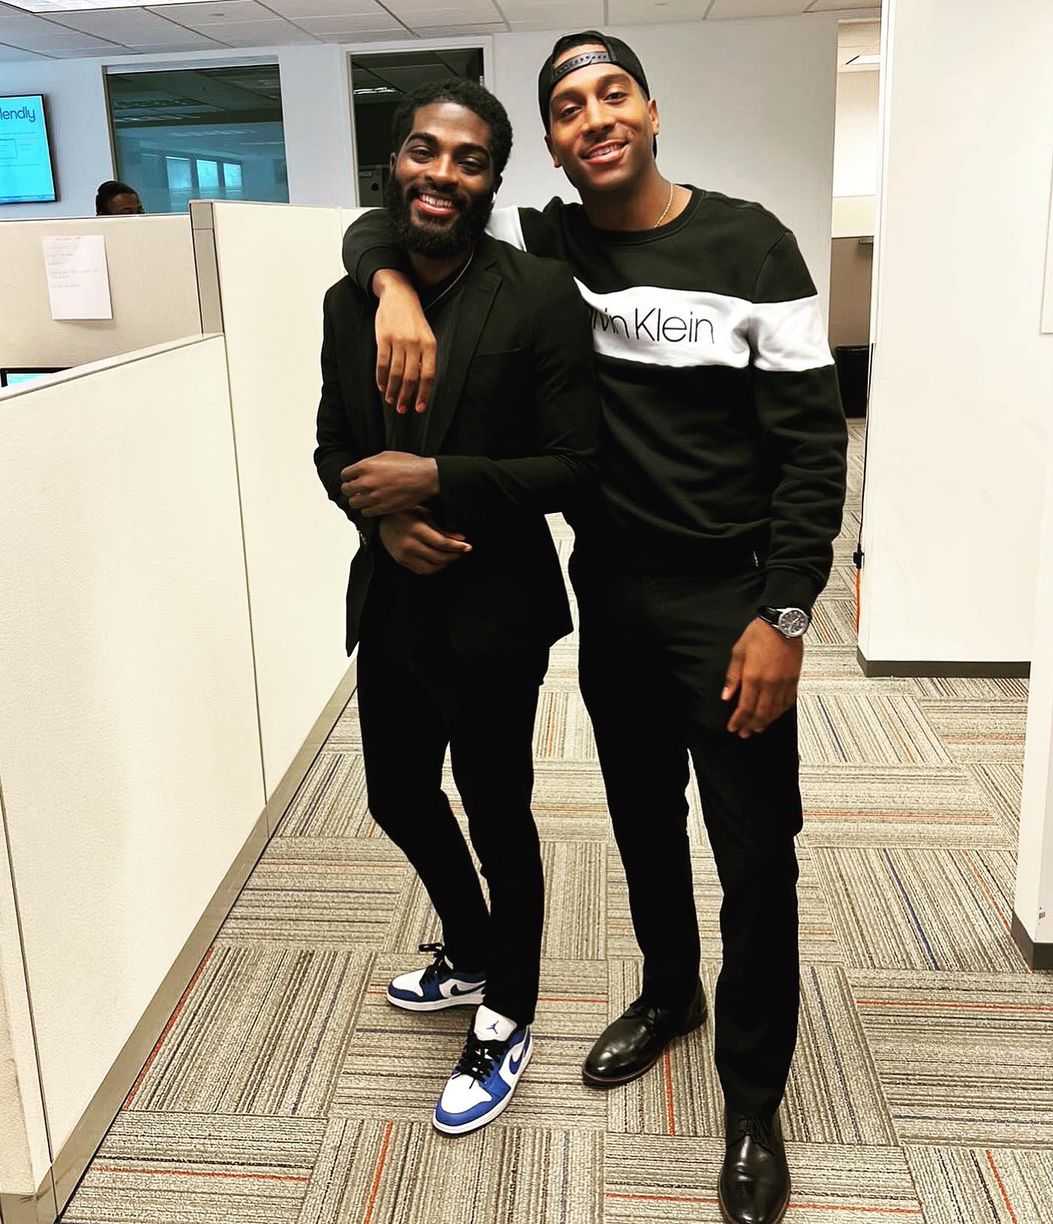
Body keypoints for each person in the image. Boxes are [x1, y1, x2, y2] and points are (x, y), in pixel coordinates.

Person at [342, 31, 848, 1223]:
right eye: (568, 108)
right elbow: (385, 224)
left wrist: (785, 613)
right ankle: (671, 992)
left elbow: (813, 447)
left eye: (612, 93)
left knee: (755, 853)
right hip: (614, 591)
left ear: (651, 111)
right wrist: (393, 287)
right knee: (641, 822)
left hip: (730, 599)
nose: (594, 117)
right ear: (554, 147)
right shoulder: (549, 249)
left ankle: (753, 1097)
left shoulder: (752, 243)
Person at [315, 77, 599, 1137]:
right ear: (396, 161)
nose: (442, 173)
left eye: (469, 159)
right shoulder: (351, 300)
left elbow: (576, 466)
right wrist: (381, 518)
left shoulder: (540, 294)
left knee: (497, 810)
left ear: (492, 178)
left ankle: (509, 1008)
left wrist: (435, 481)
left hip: (495, 609)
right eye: (425, 151)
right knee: (396, 796)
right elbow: (332, 448)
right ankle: (471, 947)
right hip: (391, 598)